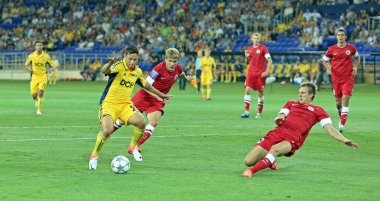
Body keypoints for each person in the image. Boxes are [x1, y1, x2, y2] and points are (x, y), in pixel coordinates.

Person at [242, 82, 358, 178]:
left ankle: (251, 171)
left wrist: (344, 140)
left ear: (311, 95)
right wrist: (280, 119)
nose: (300, 95)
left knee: (275, 150)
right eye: (299, 93)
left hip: (292, 139)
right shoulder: (291, 103)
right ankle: (270, 161)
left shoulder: (318, 111)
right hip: (276, 133)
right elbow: (282, 114)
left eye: (303, 93)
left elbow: (329, 129)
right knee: (248, 161)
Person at [88, 46, 171, 170]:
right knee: (107, 130)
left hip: (125, 105)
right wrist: (109, 63)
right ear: (125, 56)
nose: (132, 62)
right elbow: (104, 71)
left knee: (141, 122)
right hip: (109, 104)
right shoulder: (118, 66)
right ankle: (94, 155)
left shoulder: (137, 72)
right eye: (130, 59)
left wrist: (161, 95)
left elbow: (147, 86)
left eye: (135, 60)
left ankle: (132, 147)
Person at [110, 48, 193, 153]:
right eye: (170, 61)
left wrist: (186, 79)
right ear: (165, 59)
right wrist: (158, 96)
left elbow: (180, 74)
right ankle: (108, 132)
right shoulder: (158, 69)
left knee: (154, 122)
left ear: (178, 61)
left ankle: (136, 145)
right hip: (144, 96)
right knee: (122, 120)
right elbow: (146, 86)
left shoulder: (179, 68)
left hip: (158, 99)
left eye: (174, 61)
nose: (172, 64)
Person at [322, 27, 360, 133]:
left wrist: (355, 67)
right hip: (336, 79)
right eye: (339, 35)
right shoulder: (331, 49)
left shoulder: (351, 48)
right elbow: (324, 60)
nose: (340, 37)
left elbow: (357, 58)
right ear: (336, 36)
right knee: (338, 103)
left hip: (348, 78)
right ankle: (341, 114)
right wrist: (329, 68)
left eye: (342, 35)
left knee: (345, 100)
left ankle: (342, 125)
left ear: (345, 37)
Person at [241, 33, 273, 119]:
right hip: (251, 73)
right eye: (255, 38)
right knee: (247, 90)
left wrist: (266, 71)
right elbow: (247, 63)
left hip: (260, 74)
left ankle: (259, 113)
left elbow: (270, 61)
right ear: (252, 39)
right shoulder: (249, 49)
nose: (256, 40)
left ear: (260, 39)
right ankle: (246, 112)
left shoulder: (263, 48)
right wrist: (246, 57)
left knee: (260, 93)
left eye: (258, 38)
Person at [25, 41, 54, 115]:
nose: (39, 46)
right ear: (35, 47)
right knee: (33, 95)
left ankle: (38, 110)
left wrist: (51, 69)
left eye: (40, 45)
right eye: (37, 45)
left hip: (43, 76)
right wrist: (29, 69)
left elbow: (52, 65)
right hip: (34, 77)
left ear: (42, 46)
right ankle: (37, 100)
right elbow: (26, 64)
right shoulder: (31, 56)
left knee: (41, 92)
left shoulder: (46, 56)